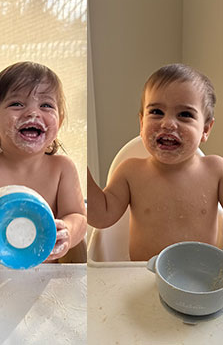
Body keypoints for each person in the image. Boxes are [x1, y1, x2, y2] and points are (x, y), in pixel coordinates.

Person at [88, 63, 223, 261]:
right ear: (141, 123)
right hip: (143, 275)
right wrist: (83, 174)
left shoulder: (215, 171)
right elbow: (101, 217)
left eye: (185, 114)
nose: (168, 123)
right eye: (156, 112)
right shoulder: (130, 172)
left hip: (201, 279)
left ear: (206, 129)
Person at [0, 61, 86, 262]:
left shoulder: (62, 169)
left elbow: (77, 216)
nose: (33, 112)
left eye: (46, 105)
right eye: (17, 104)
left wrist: (68, 231)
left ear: (59, 123)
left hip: (45, 279)